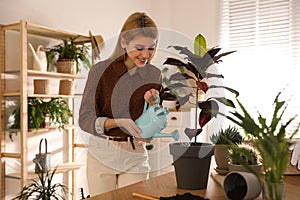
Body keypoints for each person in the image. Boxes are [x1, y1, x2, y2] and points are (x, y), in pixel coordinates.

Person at [78, 12, 162, 196]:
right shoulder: (100, 71)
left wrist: (154, 104)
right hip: (102, 153)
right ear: (124, 42)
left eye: (151, 48)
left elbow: (153, 119)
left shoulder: (154, 74)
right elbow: (85, 119)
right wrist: (118, 122)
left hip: (135, 154)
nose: (146, 55)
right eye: (139, 48)